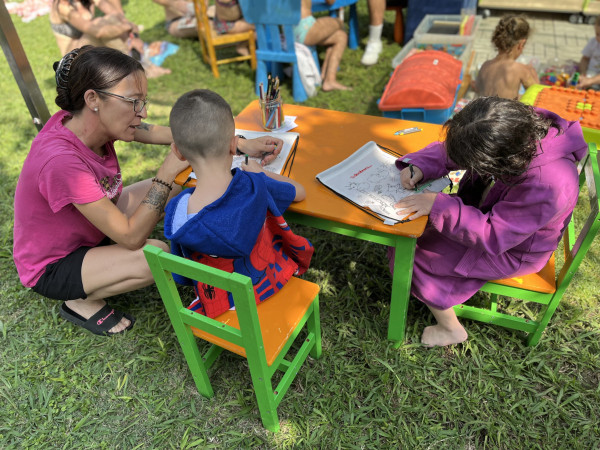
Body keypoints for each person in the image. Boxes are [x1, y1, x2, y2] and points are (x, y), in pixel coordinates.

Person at [12, 46, 283, 336]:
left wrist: (236, 142)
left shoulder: (89, 122)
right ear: (93, 99)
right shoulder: (61, 160)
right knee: (154, 255)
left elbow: (159, 132)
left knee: (178, 188)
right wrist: (164, 175)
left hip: (91, 228)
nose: (142, 113)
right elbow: (130, 238)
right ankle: (78, 300)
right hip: (55, 263)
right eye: (133, 102)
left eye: (143, 102)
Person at [389, 97, 587, 347]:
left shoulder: (548, 184)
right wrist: (421, 165)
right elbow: (460, 147)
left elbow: (495, 236)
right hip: (489, 219)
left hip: (513, 250)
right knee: (416, 232)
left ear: (499, 160)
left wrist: (439, 206)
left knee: (414, 252)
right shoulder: (515, 126)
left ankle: (450, 329)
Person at [164, 89, 314, 318]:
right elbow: (300, 192)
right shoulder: (254, 184)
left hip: (218, 303)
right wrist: (262, 174)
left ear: (178, 152)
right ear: (234, 145)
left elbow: (183, 272)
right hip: (268, 285)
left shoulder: (176, 211)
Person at [49, 0, 171, 78]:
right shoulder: (63, 6)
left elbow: (117, 15)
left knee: (111, 20)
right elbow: (97, 32)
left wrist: (134, 36)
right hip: (74, 58)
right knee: (102, 23)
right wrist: (126, 27)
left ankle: (134, 65)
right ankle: (137, 67)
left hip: (90, 47)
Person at [473, 15, 539, 99]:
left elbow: (477, 88)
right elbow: (537, 94)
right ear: (521, 44)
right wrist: (535, 77)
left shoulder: (485, 66)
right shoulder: (521, 70)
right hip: (505, 112)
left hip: (483, 111)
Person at [295, 0, 351, 91]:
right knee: (338, 22)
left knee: (340, 36)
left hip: (288, 32)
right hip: (304, 29)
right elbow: (330, 1)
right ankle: (327, 77)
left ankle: (327, 78)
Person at [577, 19, 600, 89]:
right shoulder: (594, 42)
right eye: (597, 34)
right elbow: (585, 59)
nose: (598, 38)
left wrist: (591, 81)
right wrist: (583, 73)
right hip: (590, 74)